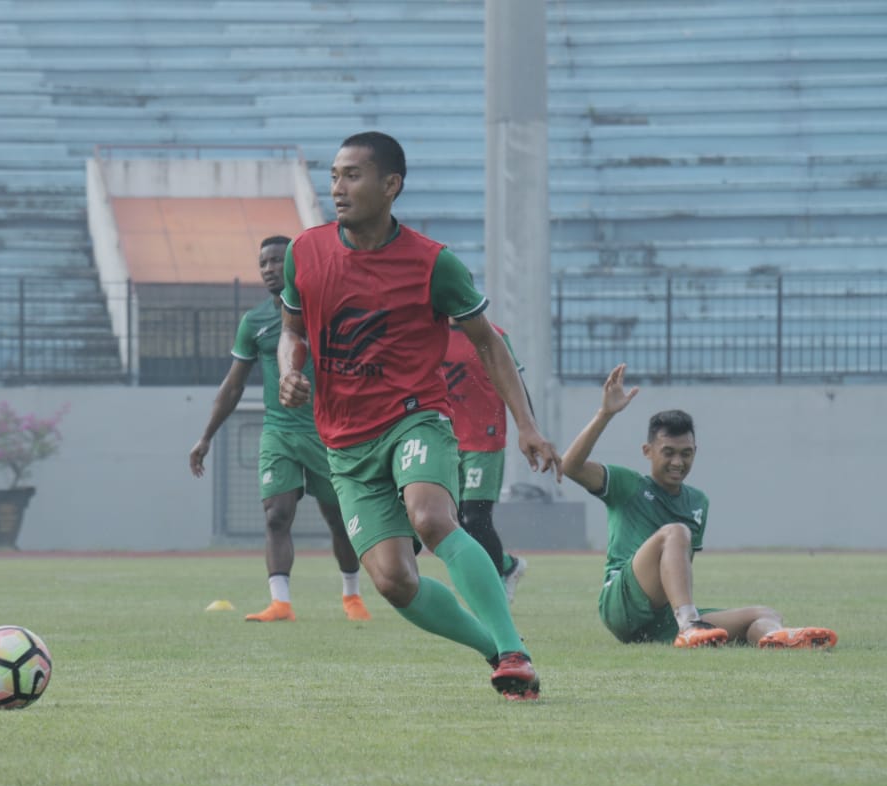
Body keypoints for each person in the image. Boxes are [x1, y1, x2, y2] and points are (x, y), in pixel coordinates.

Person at [277, 131, 562, 700]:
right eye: (334, 175)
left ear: (391, 185)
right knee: (394, 580)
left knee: (431, 519)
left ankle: (514, 650)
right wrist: (290, 366)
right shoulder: (303, 253)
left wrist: (527, 424)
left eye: (352, 175)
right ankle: (497, 651)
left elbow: (489, 344)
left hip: (415, 418)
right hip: (345, 445)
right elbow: (290, 330)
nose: (337, 187)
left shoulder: (434, 264)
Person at [560, 363, 838, 649]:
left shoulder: (697, 501)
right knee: (676, 532)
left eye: (686, 453)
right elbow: (570, 466)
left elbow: (679, 569)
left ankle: (778, 638)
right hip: (621, 605)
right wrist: (605, 414)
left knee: (764, 613)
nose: (678, 462)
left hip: (665, 618)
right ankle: (691, 626)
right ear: (648, 451)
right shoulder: (628, 485)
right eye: (668, 453)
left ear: (696, 452)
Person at [190, 235, 370, 623]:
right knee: (276, 515)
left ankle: (352, 596)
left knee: (338, 519)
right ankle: (281, 603)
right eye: (263, 263)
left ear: (293, 266)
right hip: (279, 432)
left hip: (328, 433)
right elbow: (234, 384)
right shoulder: (254, 322)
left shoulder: (326, 314)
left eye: (277, 261)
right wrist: (206, 436)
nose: (269, 269)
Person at [444, 319, 529, 604]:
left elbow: (515, 382)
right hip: (445, 440)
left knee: (476, 516)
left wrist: (530, 428)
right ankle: (508, 565)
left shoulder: (492, 335)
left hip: (483, 439)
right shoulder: (428, 331)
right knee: (452, 520)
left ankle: (494, 585)